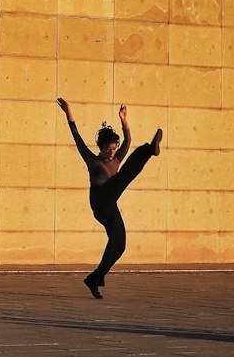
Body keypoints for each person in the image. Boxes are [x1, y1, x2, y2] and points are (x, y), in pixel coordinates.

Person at [56, 98, 162, 299]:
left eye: (114, 148)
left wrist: (124, 120)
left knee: (119, 244)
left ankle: (94, 279)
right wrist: (68, 112)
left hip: (111, 202)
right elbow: (76, 137)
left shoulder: (116, 158)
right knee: (122, 178)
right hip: (99, 200)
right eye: (107, 148)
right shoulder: (92, 160)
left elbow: (128, 141)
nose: (111, 151)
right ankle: (149, 150)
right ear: (100, 146)